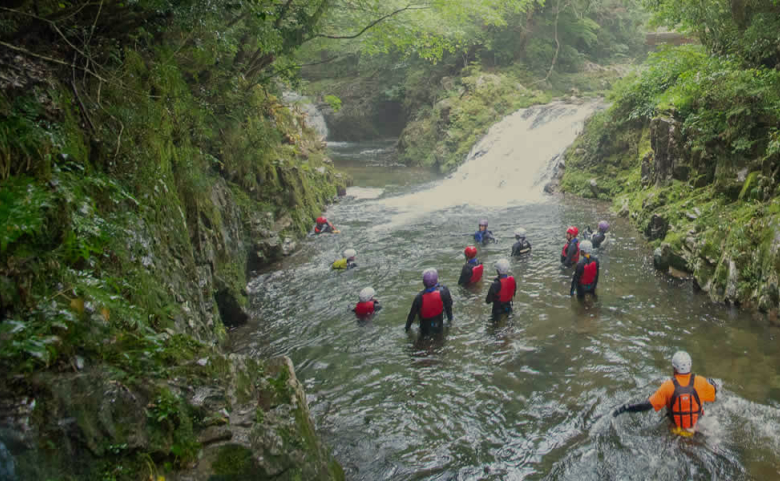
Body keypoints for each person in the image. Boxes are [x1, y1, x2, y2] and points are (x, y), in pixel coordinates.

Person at [613, 351, 718, 437]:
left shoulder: (667, 387)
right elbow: (714, 393)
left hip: (675, 430)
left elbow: (647, 405)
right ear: (690, 366)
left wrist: (625, 408)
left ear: (674, 368)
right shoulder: (701, 382)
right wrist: (713, 384)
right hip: (697, 428)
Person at [405, 268, 454, 335]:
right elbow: (449, 308)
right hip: (439, 327)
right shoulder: (444, 291)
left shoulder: (419, 298)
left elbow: (411, 317)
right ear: (436, 281)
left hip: (424, 330)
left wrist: (407, 329)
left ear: (423, 283)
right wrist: (450, 321)